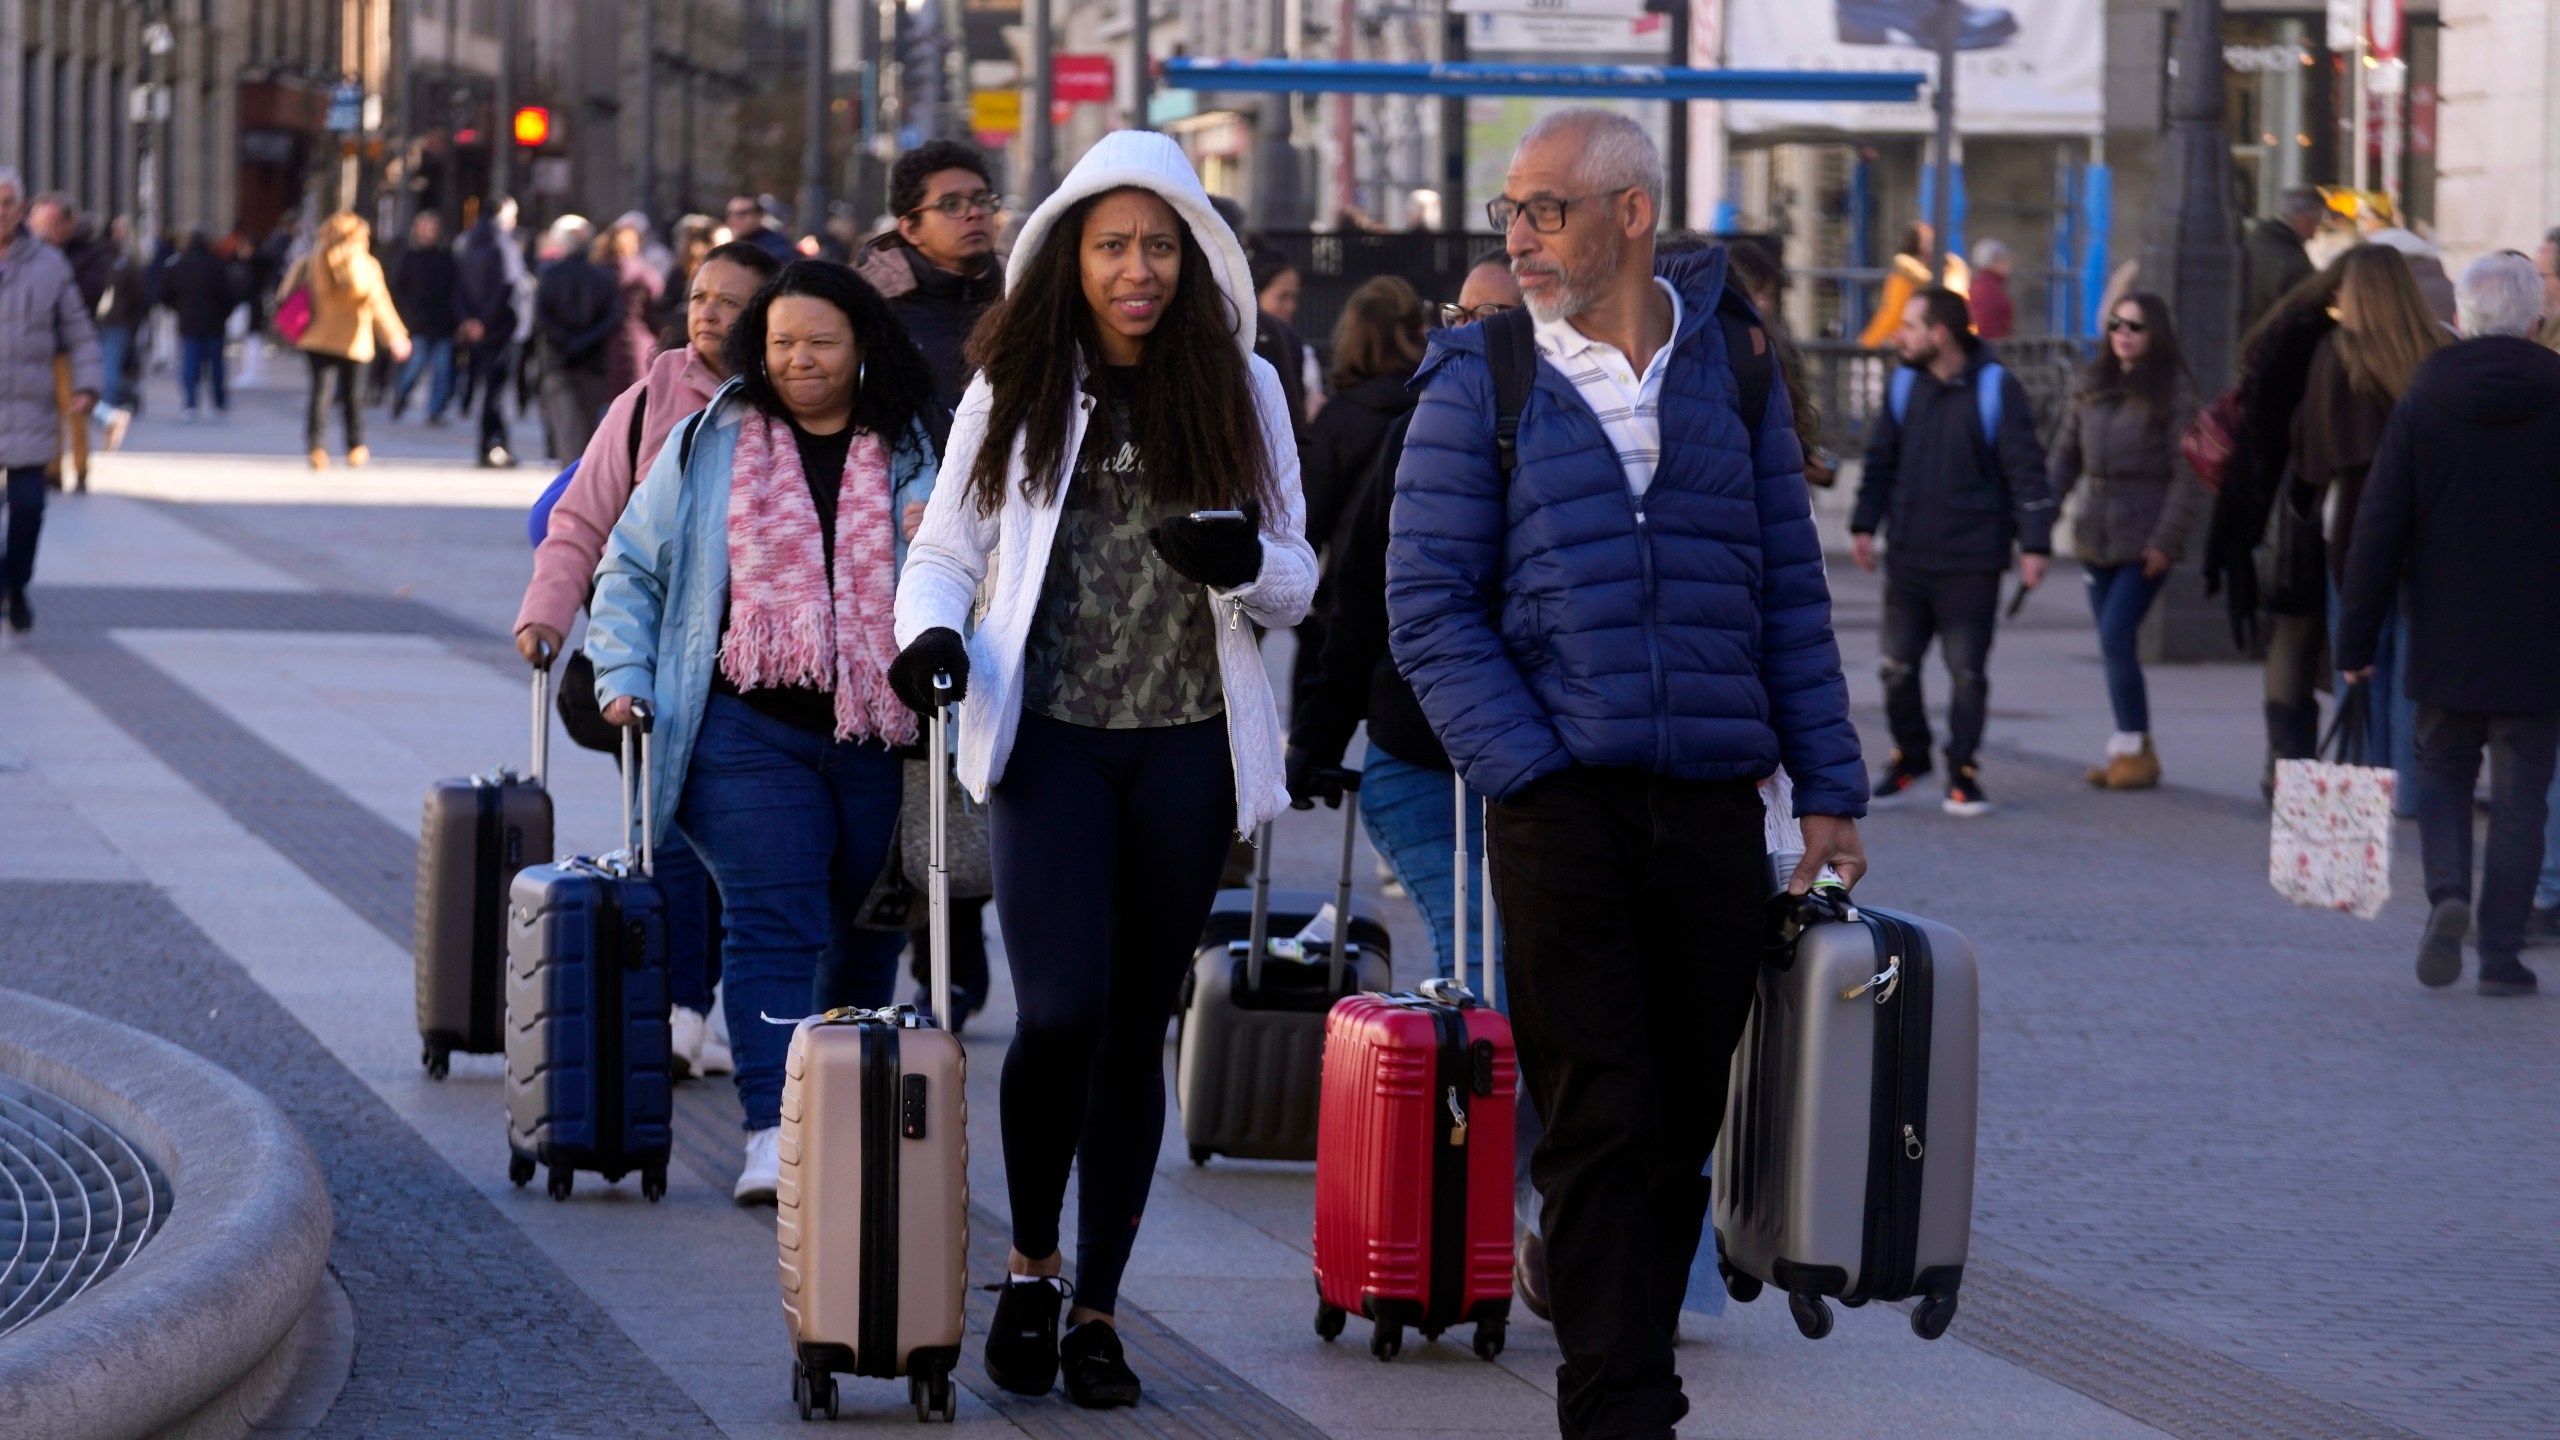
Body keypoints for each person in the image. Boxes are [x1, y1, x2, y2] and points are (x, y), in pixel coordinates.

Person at [1388, 109, 1865, 1440]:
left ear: (1632, 211)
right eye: (1512, 212)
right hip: (1561, 805)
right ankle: (1620, 1406)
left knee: (1677, 1121)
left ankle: (1626, 1366)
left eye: (1546, 208)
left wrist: (1828, 788)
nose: (1521, 235)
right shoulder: (1480, 375)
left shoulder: (1739, 370)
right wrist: (1530, 774)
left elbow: (1789, 594)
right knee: (1599, 1109)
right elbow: (1426, 602)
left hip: (1714, 802)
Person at [889, 128, 1313, 1410]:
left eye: (1160, 245)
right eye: (1114, 244)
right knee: (1059, 1013)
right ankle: (1027, 1262)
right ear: (1067, 253)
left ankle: (1096, 1309)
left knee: (1134, 1032)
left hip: (1186, 747)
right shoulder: (1012, 386)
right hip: (1050, 741)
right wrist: (931, 640)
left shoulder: (1243, 388)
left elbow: (1298, 575)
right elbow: (943, 551)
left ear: (1195, 254)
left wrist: (1240, 560)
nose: (1138, 269)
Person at [587, 260, 943, 1203]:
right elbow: (631, 566)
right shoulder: (713, 441)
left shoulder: (915, 450)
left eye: (821, 342)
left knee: (865, 937)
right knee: (773, 921)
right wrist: (622, 675)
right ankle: (770, 1131)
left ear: (863, 345)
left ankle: (851, 1117)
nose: (800, 361)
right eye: (782, 342)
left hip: (880, 733)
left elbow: (966, 569)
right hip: (742, 726)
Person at [517, 237, 782, 1084]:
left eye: (731, 303)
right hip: (664, 662)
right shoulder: (649, 398)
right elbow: (581, 519)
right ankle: (680, 1004)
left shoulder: (801, 401)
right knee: (665, 828)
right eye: (700, 296)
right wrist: (547, 616)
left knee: (754, 851)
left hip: (766, 669)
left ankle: (747, 1009)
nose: (708, 314)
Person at [2338, 254, 2560, 997]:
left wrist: (2355, 639)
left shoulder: (2425, 395)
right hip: (2539, 633)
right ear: (2537, 319)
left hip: (2444, 625)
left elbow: (2380, 524)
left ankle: (2447, 895)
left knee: (2442, 768)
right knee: (2524, 793)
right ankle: (2501, 954)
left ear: (2461, 318)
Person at [1852, 285, 2054, 816]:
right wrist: (1863, 524)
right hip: (1910, 556)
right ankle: (1910, 757)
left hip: (1972, 560)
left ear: (1938, 334)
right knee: (1896, 666)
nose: (1900, 334)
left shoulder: (1995, 389)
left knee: (1966, 671)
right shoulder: (1903, 386)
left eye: (1910, 326)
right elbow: (1879, 461)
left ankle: (1963, 773)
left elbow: (2025, 469)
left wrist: (2035, 543)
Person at [2295, 245, 2444, 810]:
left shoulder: (2335, 356)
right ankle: (2410, 789)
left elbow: (2314, 458)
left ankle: (2366, 786)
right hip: (2425, 528)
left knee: (2358, 660)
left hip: (2353, 529)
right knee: (2412, 664)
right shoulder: (2433, 350)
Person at [2047, 292, 2207, 788]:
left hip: (2145, 537)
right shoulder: (2091, 383)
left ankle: (2133, 747)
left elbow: (2188, 474)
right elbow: (2064, 458)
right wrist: (2038, 520)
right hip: (2096, 533)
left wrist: (2165, 539)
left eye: (2135, 326)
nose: (2123, 333)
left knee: (2117, 637)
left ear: (2155, 332)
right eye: (2116, 324)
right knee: (2112, 642)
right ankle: (2133, 747)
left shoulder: (2174, 391)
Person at [1291, 274, 1426, 713]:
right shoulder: (1438, 405)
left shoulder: (1338, 418)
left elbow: (1310, 521)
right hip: (1423, 593)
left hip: (1345, 602)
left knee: (1320, 733)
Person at [0, 171, 100, 634]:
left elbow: (79, 331)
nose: (0, 211)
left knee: (29, 508)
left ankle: (15, 582)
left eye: (7, 203)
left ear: (21, 209)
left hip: (28, 409)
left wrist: (87, 385)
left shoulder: (49, 264)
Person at [855, 139, 1005, 414]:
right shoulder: (867, 306)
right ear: (911, 228)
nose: (974, 213)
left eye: (982, 200)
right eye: (950, 205)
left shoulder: (1024, 295)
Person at [281, 212, 410, 471]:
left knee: (320, 394)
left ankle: (317, 448)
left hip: (316, 337)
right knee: (353, 396)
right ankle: (355, 446)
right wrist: (396, 336)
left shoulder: (311, 261)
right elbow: (379, 303)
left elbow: (285, 292)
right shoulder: (367, 265)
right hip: (355, 341)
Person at [29, 194, 109, 492]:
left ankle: (80, 468)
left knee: (74, 409)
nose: (46, 232)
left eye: (52, 225)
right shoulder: (33, 253)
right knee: (44, 410)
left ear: (68, 224)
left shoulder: (87, 253)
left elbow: (90, 293)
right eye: (40, 225)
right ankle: (51, 469)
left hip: (69, 346)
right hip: (39, 344)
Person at [532, 218, 622, 463]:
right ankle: (578, 484)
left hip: (559, 361)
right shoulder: (603, 278)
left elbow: (542, 318)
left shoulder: (550, 275)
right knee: (586, 430)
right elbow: (612, 318)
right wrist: (584, 340)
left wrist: (567, 341)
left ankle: (570, 485)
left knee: (566, 431)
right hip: (591, 362)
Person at [457, 196, 526, 467]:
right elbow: (507, 286)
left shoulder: (469, 242)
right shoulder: (502, 244)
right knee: (496, 391)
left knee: (489, 388)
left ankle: (495, 443)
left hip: (480, 327)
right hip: (501, 328)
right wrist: (484, 321)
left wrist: (469, 320)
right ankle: (493, 444)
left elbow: (459, 286)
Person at [388, 211, 461, 425]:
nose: (430, 232)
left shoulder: (447, 257)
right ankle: (401, 396)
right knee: (414, 366)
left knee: (442, 370)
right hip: (417, 323)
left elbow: (455, 289)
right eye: (426, 227)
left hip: (443, 323)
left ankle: (435, 411)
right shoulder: (408, 257)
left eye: (434, 228)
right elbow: (398, 289)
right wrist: (405, 318)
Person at [1248, 242, 1320, 436]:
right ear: (1256, 294)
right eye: (1282, 297)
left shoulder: (1295, 345)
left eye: (1294, 298)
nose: (1290, 307)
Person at [1858, 221, 1966, 349]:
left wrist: (1868, 343)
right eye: (1929, 242)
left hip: (1913, 345)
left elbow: (1892, 313)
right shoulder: (1951, 270)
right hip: (1946, 344)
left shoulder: (1903, 277)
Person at [91, 218, 147, 456]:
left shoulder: (102, 260)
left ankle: (107, 411)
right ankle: (107, 409)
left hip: (108, 322)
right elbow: (139, 294)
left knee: (106, 367)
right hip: (115, 321)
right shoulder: (121, 261)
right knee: (108, 366)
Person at [2245, 186, 2324, 330]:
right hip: (2269, 343)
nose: (2314, 236)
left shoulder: (2250, 246)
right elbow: (2308, 315)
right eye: (2316, 224)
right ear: (2304, 220)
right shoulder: (2294, 263)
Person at [606, 219, 666, 393]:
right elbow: (655, 313)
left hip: (606, 350)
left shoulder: (598, 274)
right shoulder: (645, 275)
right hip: (639, 347)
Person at [1968, 237, 2016, 340]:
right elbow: (1984, 322)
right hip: (1992, 346)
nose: (2009, 267)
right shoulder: (1987, 289)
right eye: (2005, 261)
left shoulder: (1985, 285)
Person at [725, 195, 794, 261]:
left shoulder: (776, 249)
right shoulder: (736, 245)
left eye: (742, 213)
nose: (733, 220)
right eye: (730, 214)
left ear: (759, 216)